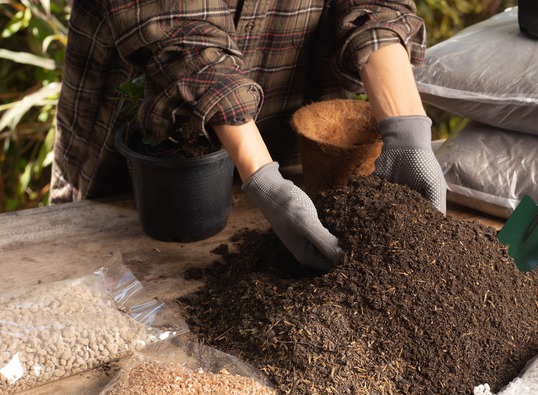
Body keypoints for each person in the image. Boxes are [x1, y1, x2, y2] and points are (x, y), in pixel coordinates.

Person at [51, 1, 447, 272]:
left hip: (288, 137)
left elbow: (377, 6)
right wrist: (267, 184)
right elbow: (176, 29)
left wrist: (406, 131)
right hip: (150, 163)